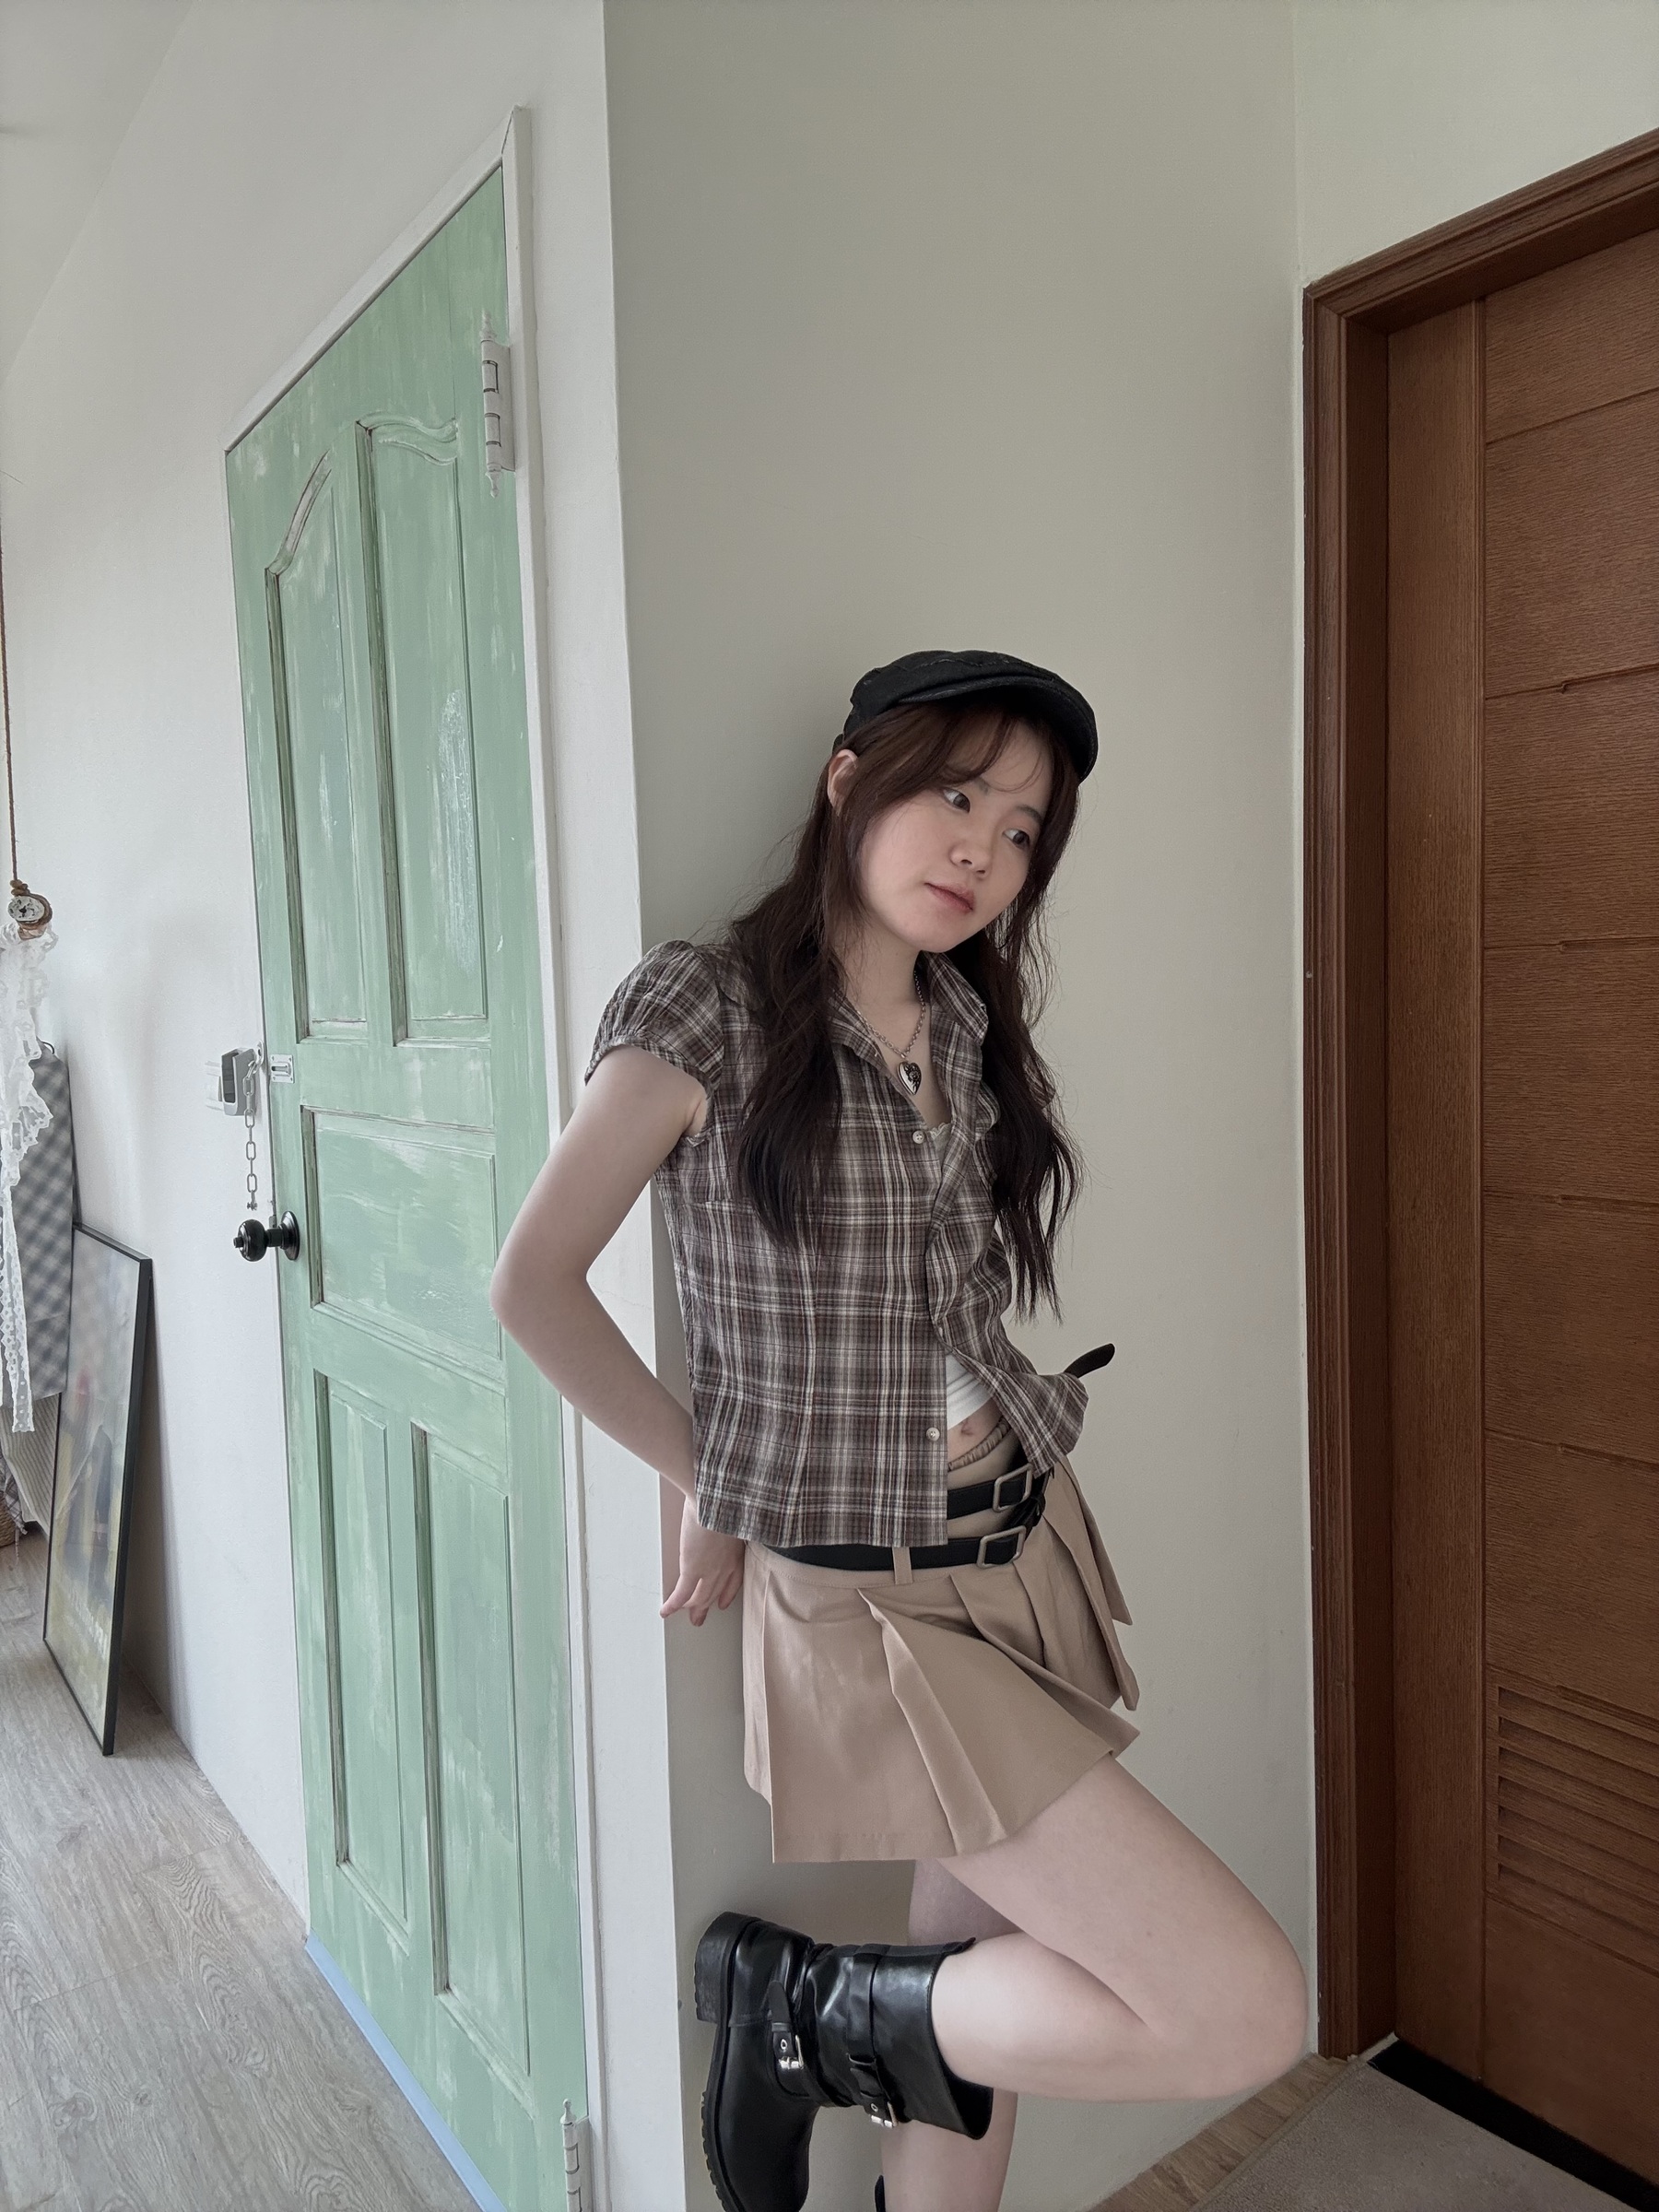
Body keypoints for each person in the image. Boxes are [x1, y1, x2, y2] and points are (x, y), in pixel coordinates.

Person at [490, 650, 1307, 2212]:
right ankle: (799, 2014)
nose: (982, 851)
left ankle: (849, 2048)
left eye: (1021, 830)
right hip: (871, 1601)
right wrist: (710, 1476)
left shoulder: (960, 1018)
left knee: (977, 2022)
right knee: (1244, 2008)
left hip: (1022, 1542)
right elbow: (533, 1286)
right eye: (958, 795)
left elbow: (928, 1313)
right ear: (849, 779)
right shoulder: (707, 1005)